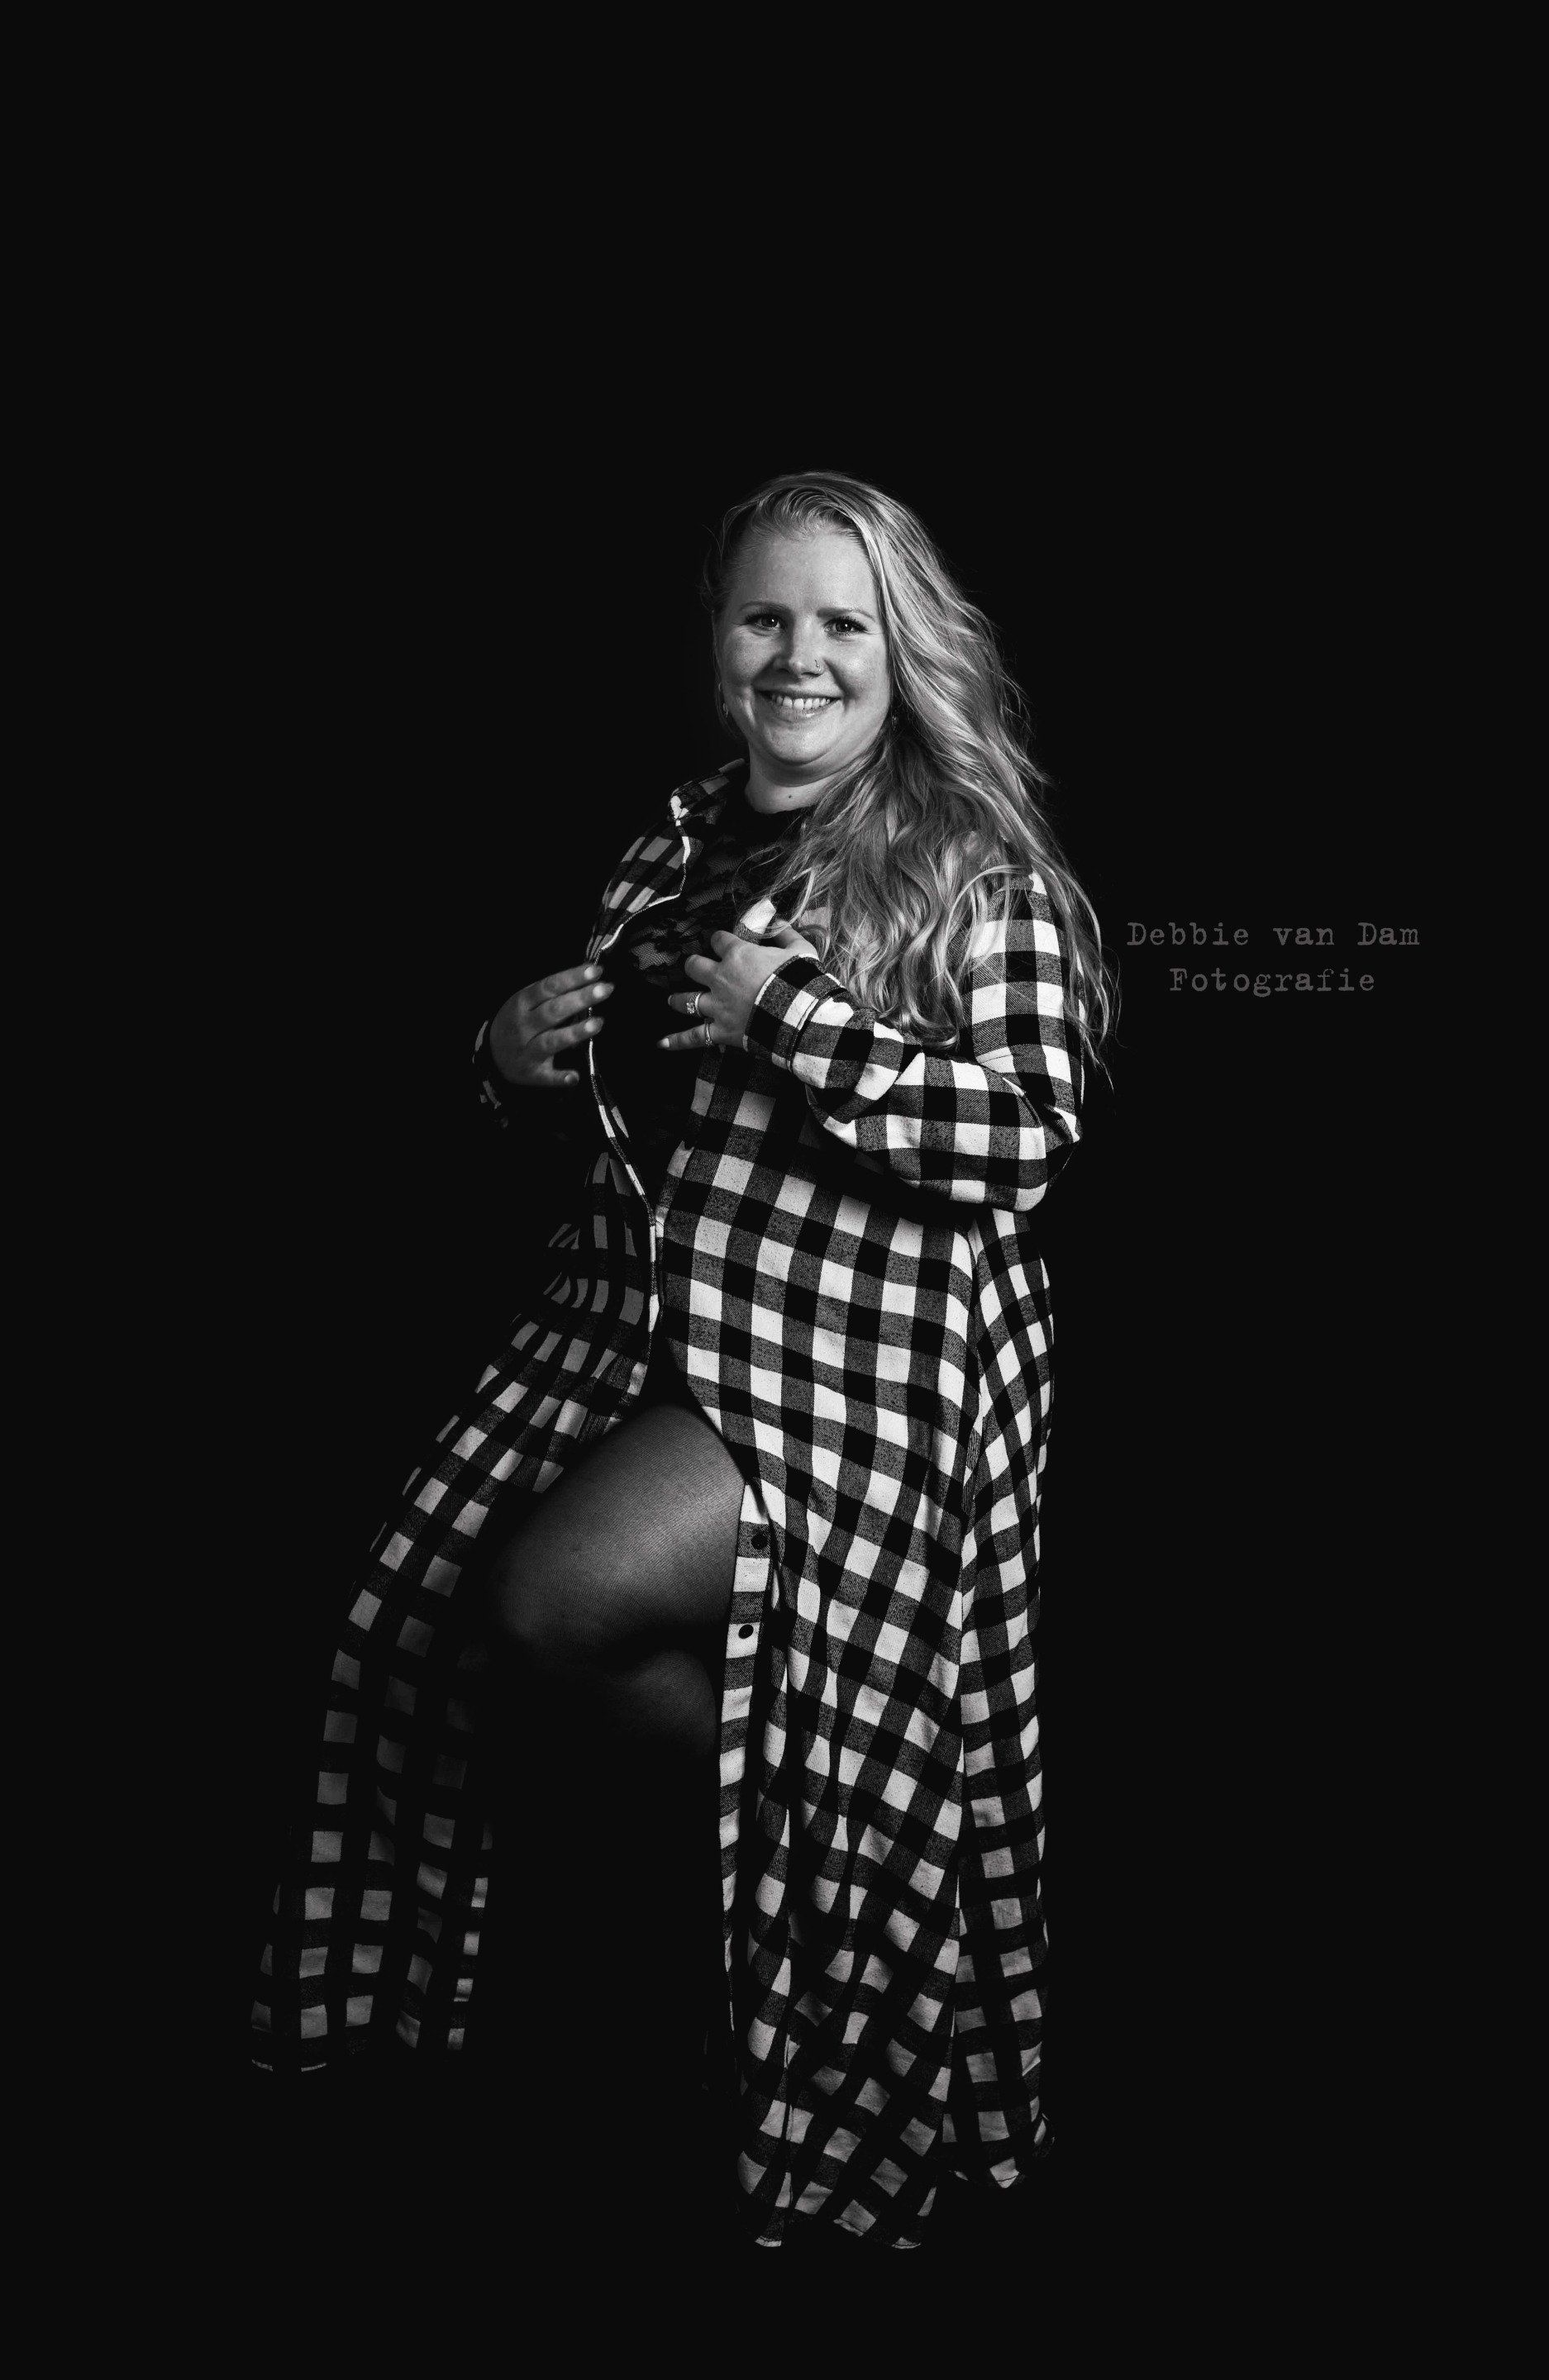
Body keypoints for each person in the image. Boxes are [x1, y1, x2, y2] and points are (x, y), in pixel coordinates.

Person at [251, 469, 1112, 2249]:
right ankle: (787, 1877)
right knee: (411, 1625)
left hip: (869, 1374)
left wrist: (796, 1020)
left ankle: (842, 1874)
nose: (800, 654)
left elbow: (1028, 1139)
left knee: (554, 1600)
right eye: (763, 617)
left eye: (842, 623)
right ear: (718, 639)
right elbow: (644, 1139)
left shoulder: (976, 869)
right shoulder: (666, 848)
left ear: (905, 649)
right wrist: (508, 1063)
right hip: (645, 1333)